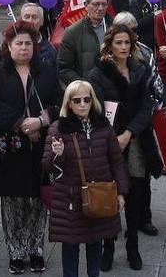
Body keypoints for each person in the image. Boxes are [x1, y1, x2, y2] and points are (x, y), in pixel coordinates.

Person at [0, 21, 62, 274]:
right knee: (13, 200)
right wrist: (21, 123)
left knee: (37, 199)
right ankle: (16, 250)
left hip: (40, 146)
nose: (24, 48)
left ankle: (35, 249)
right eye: (19, 43)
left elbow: (59, 102)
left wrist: (40, 121)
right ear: (9, 46)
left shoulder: (47, 70)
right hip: (10, 146)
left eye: (29, 43)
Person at [89, 23, 163, 269]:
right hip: (109, 144)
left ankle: (133, 247)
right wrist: (114, 138)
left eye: (127, 43)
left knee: (135, 194)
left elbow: (147, 105)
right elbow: (96, 112)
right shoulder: (98, 74)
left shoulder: (140, 70)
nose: (123, 47)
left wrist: (129, 132)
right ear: (109, 45)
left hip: (137, 141)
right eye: (118, 43)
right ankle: (108, 248)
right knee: (110, 197)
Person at [43, 80, 129, 277]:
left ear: (93, 101)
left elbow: (116, 161)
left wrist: (121, 193)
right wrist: (58, 154)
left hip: (99, 196)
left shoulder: (103, 126)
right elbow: (47, 167)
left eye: (87, 99)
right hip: (70, 199)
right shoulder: (58, 128)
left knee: (95, 244)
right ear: (69, 103)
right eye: (77, 100)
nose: (82, 104)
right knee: (71, 247)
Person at [58, 0, 114, 87]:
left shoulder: (115, 28)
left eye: (104, 4)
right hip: (87, 91)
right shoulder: (72, 32)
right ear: (86, 6)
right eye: (96, 4)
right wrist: (83, 85)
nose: (100, 8)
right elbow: (64, 68)